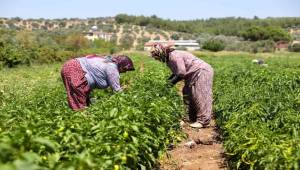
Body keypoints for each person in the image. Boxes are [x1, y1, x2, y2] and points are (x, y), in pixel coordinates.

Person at [150, 43, 214, 128]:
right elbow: (175, 73)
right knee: (187, 93)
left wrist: (170, 84)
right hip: (192, 74)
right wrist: (166, 83)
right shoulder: (169, 58)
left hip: (201, 71)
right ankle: (192, 118)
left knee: (201, 95)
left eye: (156, 57)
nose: (156, 59)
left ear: (161, 54)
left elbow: (181, 73)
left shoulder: (174, 56)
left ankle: (203, 121)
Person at [61, 54, 135, 110]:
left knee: (79, 98)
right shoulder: (112, 68)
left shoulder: (107, 61)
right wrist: (127, 96)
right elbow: (117, 91)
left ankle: (81, 119)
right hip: (75, 69)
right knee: (79, 104)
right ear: (121, 65)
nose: (125, 72)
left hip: (70, 66)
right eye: (125, 69)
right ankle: (79, 123)